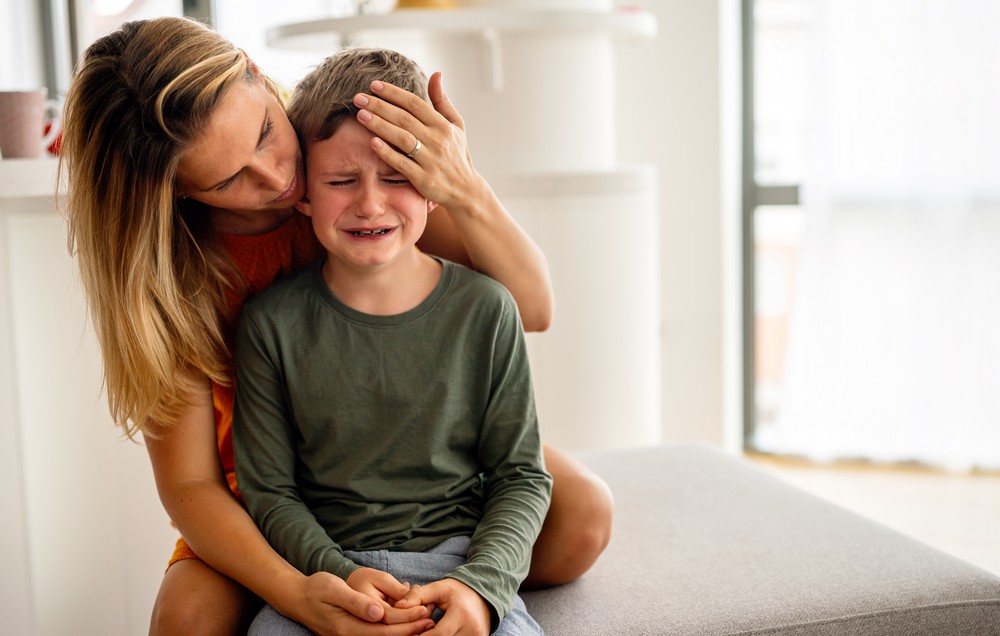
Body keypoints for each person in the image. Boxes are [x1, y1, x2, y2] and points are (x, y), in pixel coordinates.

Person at [60, 15, 611, 636]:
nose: (275, 177)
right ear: (176, 192)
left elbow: (530, 308)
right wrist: (302, 593)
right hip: (267, 493)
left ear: (256, 72)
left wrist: (462, 184)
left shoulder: (352, 167)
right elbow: (190, 484)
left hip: (416, 457)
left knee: (582, 515)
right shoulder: (175, 279)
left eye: (265, 132)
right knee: (187, 617)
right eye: (228, 178)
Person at [234, 47, 552, 636]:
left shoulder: (486, 309)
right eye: (340, 180)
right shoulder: (269, 325)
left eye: (398, 177)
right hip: (327, 575)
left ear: (436, 185)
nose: (370, 203)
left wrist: (481, 587)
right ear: (303, 192)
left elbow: (521, 477)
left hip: (459, 567)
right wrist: (333, 574)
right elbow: (270, 490)